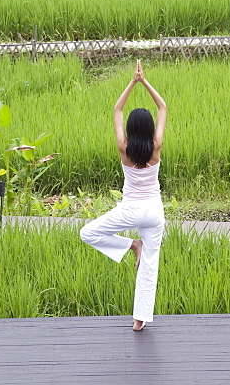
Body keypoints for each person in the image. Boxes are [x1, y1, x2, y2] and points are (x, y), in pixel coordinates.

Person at [80, 59, 167, 331]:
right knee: (149, 267)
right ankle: (139, 320)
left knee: (88, 233)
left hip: (130, 209)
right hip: (153, 211)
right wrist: (145, 82)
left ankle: (132, 245)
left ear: (130, 129)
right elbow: (163, 107)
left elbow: (117, 109)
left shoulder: (123, 147)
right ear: (150, 128)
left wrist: (132, 81)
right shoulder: (156, 146)